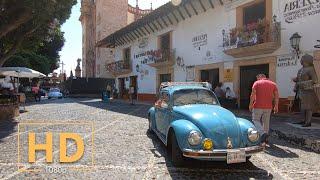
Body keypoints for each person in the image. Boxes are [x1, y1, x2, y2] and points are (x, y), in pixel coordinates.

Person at [249, 74, 279, 146]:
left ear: (260, 77)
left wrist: (250, 104)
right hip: (268, 107)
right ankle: (265, 139)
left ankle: (263, 133)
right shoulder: (273, 84)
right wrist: (276, 106)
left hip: (257, 106)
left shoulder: (256, 83)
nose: (257, 79)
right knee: (266, 122)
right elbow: (276, 96)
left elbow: (252, 94)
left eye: (257, 78)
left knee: (255, 120)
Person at [293, 54, 320, 127]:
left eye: (302, 59)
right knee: (302, 107)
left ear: (306, 60)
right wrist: (296, 85)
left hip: (308, 91)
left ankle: (308, 122)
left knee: (308, 107)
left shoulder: (311, 69)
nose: (301, 60)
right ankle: (302, 120)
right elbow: (298, 80)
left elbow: (315, 80)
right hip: (300, 91)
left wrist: (301, 83)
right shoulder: (300, 70)